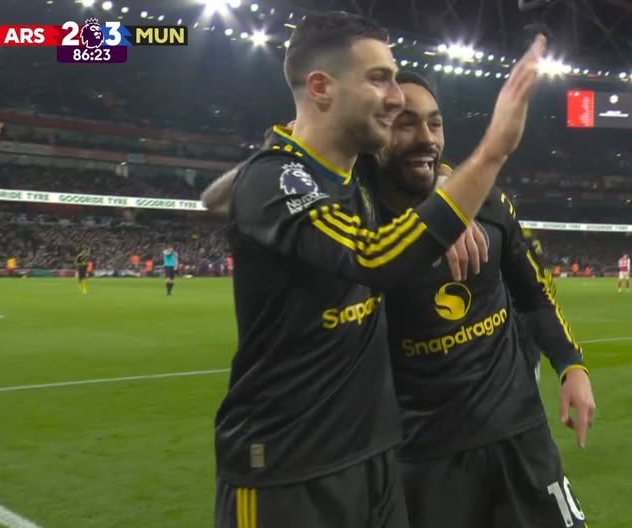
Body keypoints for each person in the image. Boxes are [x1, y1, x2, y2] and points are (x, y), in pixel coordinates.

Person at [213, 10, 547, 528]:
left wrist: (444, 182)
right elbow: (376, 258)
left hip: (376, 464)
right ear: (321, 88)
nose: (395, 97)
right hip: (285, 469)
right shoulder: (275, 180)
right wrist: (492, 151)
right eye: (379, 79)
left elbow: (415, 171)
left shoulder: (359, 177)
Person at [371, 71, 594, 528]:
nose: (426, 137)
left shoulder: (488, 204)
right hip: (426, 453)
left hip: (520, 435)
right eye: (406, 123)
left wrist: (571, 366)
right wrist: (434, 217)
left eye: (435, 123)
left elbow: (534, 295)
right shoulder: (358, 222)